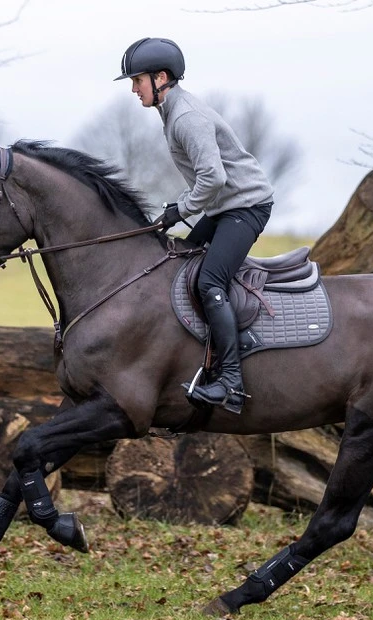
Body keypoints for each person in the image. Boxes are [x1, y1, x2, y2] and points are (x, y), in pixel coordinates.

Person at [115, 37, 274, 415]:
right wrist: (176, 210)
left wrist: (180, 210)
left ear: (161, 78)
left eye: (136, 81)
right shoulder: (172, 113)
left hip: (246, 207)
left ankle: (232, 382)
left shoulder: (186, 118)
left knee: (209, 282)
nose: (133, 89)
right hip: (225, 207)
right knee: (180, 259)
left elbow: (214, 178)